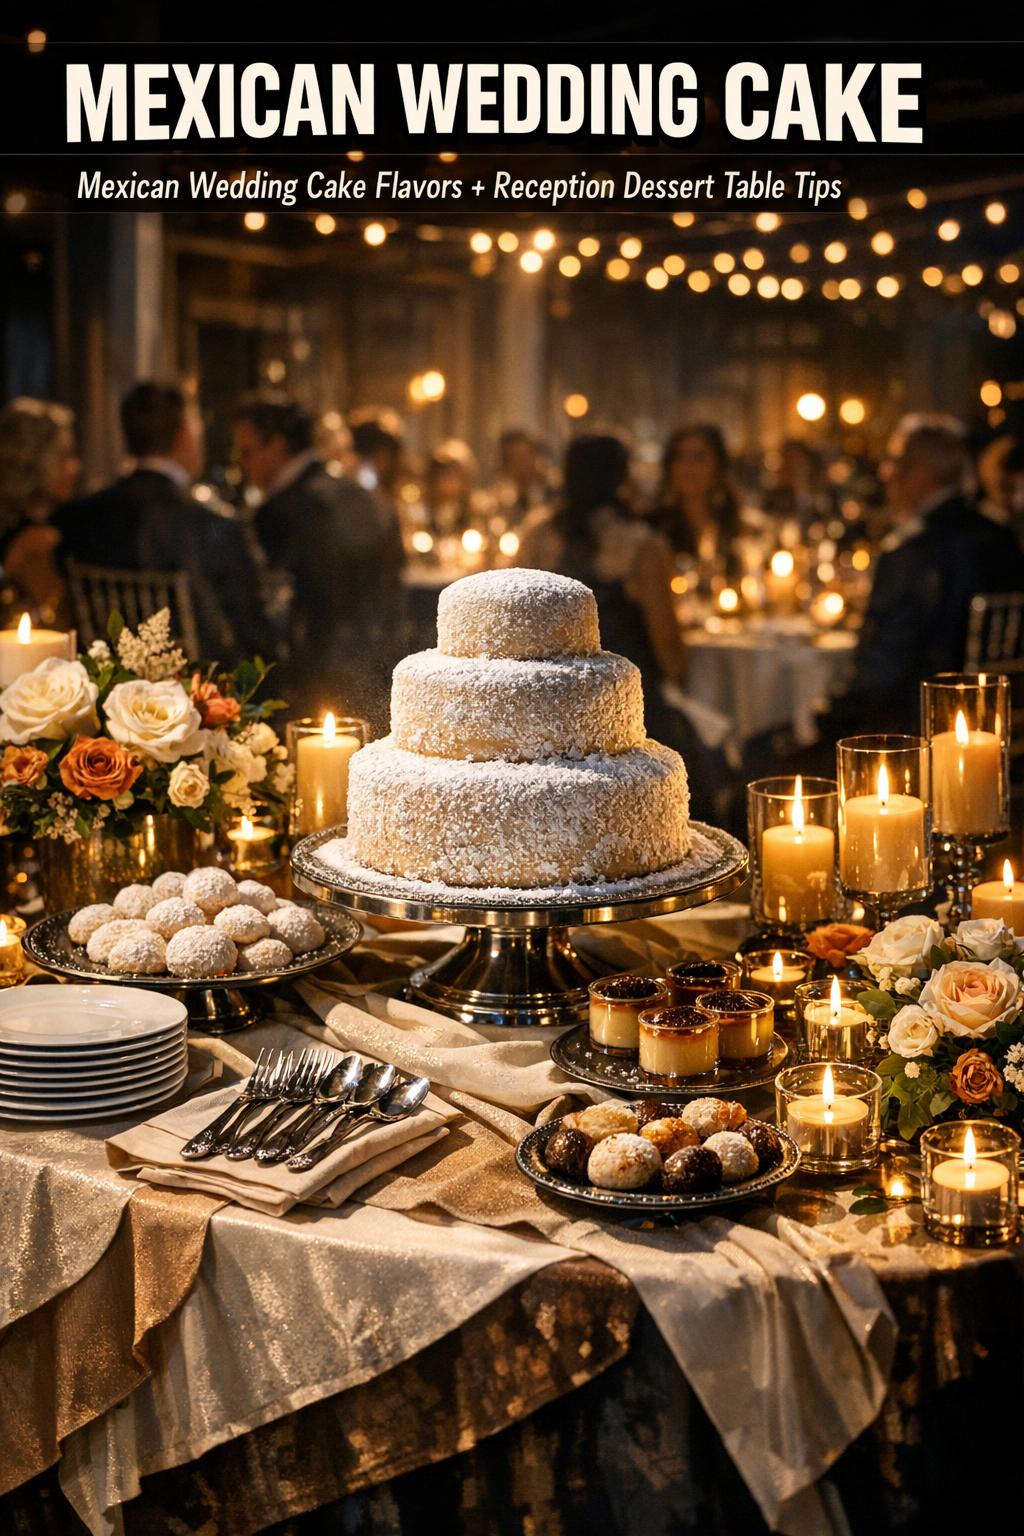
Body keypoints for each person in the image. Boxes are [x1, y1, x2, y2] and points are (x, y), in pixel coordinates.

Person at [519, 433, 719, 819]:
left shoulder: (535, 536)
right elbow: (668, 649)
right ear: (622, 479)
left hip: (542, 714)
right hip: (624, 720)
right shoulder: (642, 546)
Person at [826, 416, 1024, 736]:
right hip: (1000, 725)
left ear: (922, 471)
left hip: (913, 732)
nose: (885, 473)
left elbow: (879, 674)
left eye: (895, 462)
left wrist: (819, 719)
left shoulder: (912, 553)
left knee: (758, 752)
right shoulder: (1003, 539)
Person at [55, 383, 265, 661]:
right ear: (185, 435)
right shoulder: (215, 526)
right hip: (196, 690)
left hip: (110, 686)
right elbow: (251, 630)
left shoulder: (77, 518)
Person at [234, 397, 404, 729]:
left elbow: (271, 613)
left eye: (246, 451)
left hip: (309, 689)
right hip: (381, 675)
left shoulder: (278, 513)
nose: (242, 464)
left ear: (278, 446)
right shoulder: (371, 498)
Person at [0, 397, 79, 623]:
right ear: (36, 463)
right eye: (65, 456)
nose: (75, 466)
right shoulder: (37, 543)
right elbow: (59, 625)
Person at [647, 424, 745, 573]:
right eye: (679, 457)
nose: (688, 466)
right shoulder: (653, 530)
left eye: (699, 457)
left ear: (718, 466)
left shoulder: (737, 527)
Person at [493, 429, 551, 523]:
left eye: (526, 457)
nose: (524, 465)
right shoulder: (500, 501)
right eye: (516, 460)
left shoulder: (551, 494)